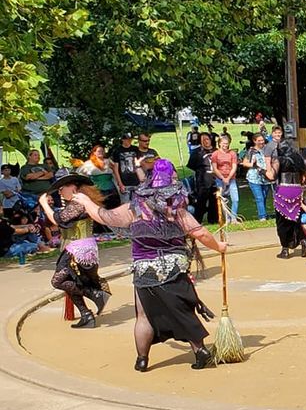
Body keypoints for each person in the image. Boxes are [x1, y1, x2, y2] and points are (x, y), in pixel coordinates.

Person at [70, 159, 227, 371]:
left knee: (143, 316)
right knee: (182, 309)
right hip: (174, 267)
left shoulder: (134, 209)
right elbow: (200, 232)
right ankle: (200, 350)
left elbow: (104, 216)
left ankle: (142, 360)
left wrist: (86, 202)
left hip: (145, 269)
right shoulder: (176, 210)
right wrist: (219, 246)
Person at [38, 172, 111, 328]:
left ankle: (95, 294)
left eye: (62, 187)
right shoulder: (77, 202)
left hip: (78, 249)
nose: (60, 191)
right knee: (68, 281)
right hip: (79, 247)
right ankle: (86, 314)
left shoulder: (78, 202)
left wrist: (44, 204)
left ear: (73, 187)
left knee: (57, 281)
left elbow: (59, 219)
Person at [272, 141, 306, 258]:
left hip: (283, 190)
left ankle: (285, 249)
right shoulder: (298, 159)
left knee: (282, 221)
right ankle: (303, 241)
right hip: (296, 191)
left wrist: (262, 170)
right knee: (295, 219)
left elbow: (271, 176)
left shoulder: (279, 160)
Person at [187, 132, 219, 224]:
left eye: (207, 139)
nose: (205, 142)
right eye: (203, 140)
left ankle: (213, 220)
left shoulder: (216, 151)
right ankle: (198, 221)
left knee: (214, 201)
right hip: (203, 181)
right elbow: (192, 165)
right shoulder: (197, 152)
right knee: (201, 201)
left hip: (215, 180)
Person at [79, 145, 123, 209]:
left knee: (114, 207)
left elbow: (116, 171)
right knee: (101, 208)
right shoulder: (88, 164)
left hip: (111, 189)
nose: (101, 153)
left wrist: (120, 183)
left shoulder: (108, 161)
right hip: (97, 190)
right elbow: (80, 174)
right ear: (94, 152)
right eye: (99, 151)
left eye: (102, 151)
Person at [211, 134, 240, 219]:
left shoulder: (232, 153)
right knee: (223, 199)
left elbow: (234, 166)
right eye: (223, 143)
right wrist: (223, 178)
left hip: (231, 178)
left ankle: (234, 217)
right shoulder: (215, 154)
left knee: (235, 199)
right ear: (219, 143)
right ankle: (227, 218)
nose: (225, 145)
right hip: (220, 179)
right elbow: (215, 168)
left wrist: (228, 177)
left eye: (226, 143)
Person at [242, 134, 271, 221]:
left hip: (266, 177)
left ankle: (264, 213)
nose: (261, 142)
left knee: (264, 196)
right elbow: (244, 163)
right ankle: (262, 216)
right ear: (254, 141)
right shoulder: (251, 151)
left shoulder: (267, 149)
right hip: (254, 177)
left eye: (262, 140)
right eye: (259, 140)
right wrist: (252, 164)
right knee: (259, 198)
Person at [112, 134, 142, 199]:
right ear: (123, 139)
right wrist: (120, 183)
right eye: (127, 139)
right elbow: (116, 169)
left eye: (130, 139)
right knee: (126, 203)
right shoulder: (117, 151)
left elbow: (140, 164)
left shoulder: (135, 149)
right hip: (125, 182)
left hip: (137, 181)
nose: (129, 140)